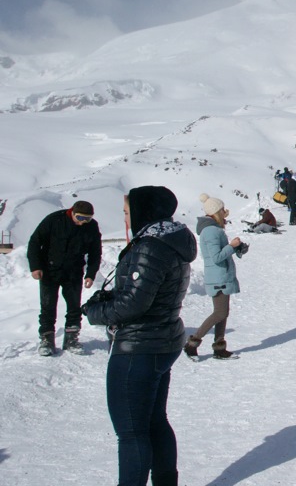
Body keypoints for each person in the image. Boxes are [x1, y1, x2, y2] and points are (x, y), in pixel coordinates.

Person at [82, 186, 196, 486]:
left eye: (127, 210)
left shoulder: (151, 245)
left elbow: (134, 303)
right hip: (162, 340)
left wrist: (96, 313)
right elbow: (146, 291)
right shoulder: (170, 240)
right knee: (155, 421)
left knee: (132, 433)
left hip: (139, 347)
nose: (124, 215)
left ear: (144, 210)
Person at [28, 200, 102, 356]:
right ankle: (47, 340)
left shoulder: (92, 227)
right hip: (50, 270)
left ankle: (71, 339)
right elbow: (35, 242)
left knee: (74, 307)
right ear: (72, 212)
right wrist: (35, 266)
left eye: (87, 219)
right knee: (48, 307)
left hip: (74, 272)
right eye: (81, 218)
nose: (83, 223)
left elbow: (95, 252)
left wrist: (90, 274)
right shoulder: (54, 220)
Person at [183, 194, 242, 360]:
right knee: (220, 313)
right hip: (218, 277)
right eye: (222, 209)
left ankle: (219, 347)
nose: (225, 212)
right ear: (216, 211)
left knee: (223, 312)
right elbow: (216, 257)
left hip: (221, 276)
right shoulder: (211, 231)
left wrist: (236, 248)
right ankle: (192, 343)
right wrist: (232, 246)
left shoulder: (213, 229)